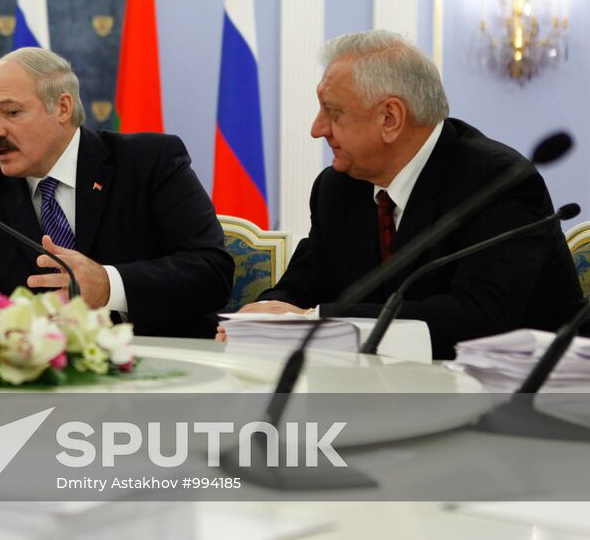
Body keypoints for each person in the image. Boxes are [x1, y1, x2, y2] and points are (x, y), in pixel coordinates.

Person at [230, 30, 582, 359]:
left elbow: (477, 319)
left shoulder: (497, 182)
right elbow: (299, 290)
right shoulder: (337, 188)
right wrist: (257, 321)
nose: (317, 129)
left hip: (519, 394)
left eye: (333, 112)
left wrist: (312, 319)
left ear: (390, 118)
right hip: (377, 391)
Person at [0, 47, 233, 338]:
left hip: (161, 368)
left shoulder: (148, 163)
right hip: (37, 379)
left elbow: (212, 272)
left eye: (11, 112)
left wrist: (109, 285)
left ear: (63, 107)